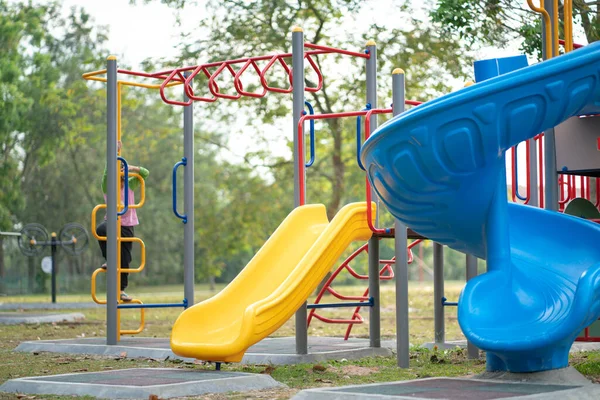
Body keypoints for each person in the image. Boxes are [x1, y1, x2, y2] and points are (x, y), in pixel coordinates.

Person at [96, 141, 149, 302]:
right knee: (100, 229)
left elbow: (146, 173)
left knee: (125, 258)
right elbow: (106, 172)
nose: (120, 177)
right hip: (113, 222)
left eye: (122, 174)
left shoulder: (130, 184)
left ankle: (121, 290)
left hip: (127, 225)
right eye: (117, 173)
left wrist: (131, 168)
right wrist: (115, 151)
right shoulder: (108, 186)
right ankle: (109, 259)